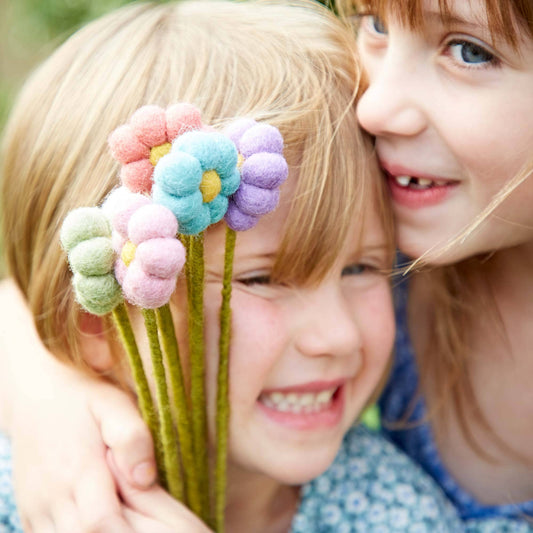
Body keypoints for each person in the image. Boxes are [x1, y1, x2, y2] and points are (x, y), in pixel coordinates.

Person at [0, 1, 464, 531]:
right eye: (262, 279)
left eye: (361, 269)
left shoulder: (395, 514)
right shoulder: (25, 501)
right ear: (94, 319)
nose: (336, 336)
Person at [349, 0, 533, 528]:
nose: (375, 108)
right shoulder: (376, 264)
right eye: (376, 25)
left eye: (470, 52)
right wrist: (97, 401)